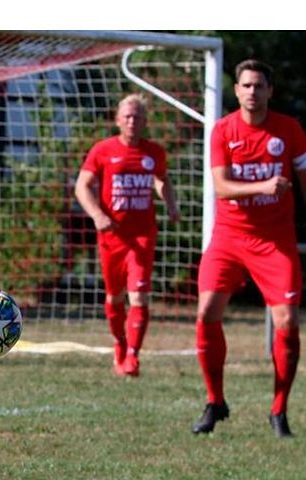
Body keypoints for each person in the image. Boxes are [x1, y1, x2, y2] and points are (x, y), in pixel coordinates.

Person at [192, 59, 306, 438]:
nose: (252, 92)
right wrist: (263, 187)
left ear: (269, 91)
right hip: (229, 236)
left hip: (275, 241)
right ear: (237, 91)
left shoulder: (289, 130)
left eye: (259, 86)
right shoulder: (223, 130)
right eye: (246, 85)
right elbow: (222, 187)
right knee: (207, 311)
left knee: (288, 322)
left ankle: (278, 411)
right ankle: (215, 401)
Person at [74, 94, 180, 378]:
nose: (133, 121)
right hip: (112, 237)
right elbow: (82, 186)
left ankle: (133, 356)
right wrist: (97, 214)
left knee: (140, 296)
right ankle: (119, 343)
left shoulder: (154, 152)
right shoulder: (103, 150)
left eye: (138, 117)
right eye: (128, 116)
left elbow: (162, 179)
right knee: (115, 296)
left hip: (143, 235)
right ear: (118, 119)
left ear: (145, 121)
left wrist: (170, 203)